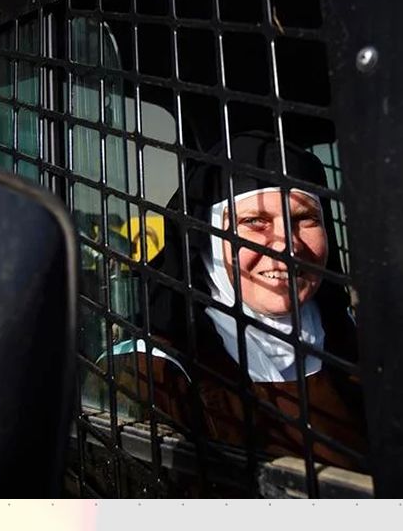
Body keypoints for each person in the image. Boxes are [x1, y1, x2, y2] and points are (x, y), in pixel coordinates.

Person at [92, 131, 367, 472]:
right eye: (254, 222)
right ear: (205, 239)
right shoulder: (148, 374)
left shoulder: (359, 343)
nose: (287, 247)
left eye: (304, 219)